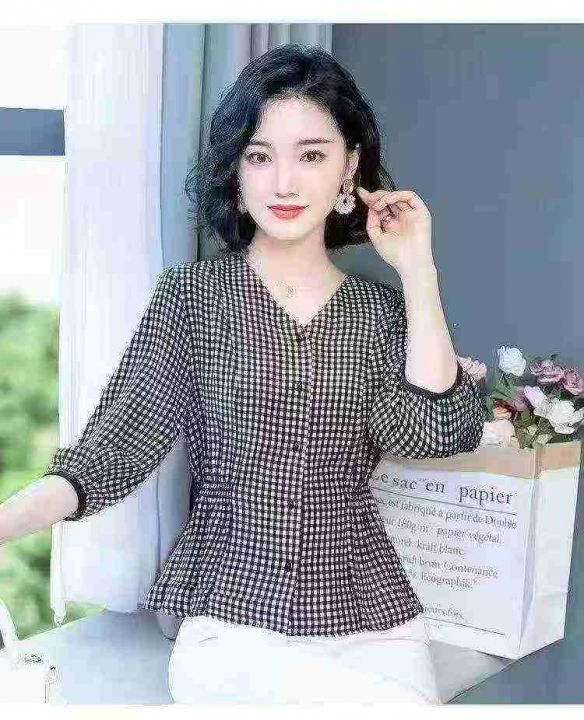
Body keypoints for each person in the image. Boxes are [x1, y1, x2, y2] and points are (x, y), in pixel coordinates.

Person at [0, 43, 486, 705]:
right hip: (232, 618)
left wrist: (417, 268)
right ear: (236, 169)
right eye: (260, 156)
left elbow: (432, 433)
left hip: (372, 620)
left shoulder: (379, 313)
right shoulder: (192, 300)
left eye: (311, 156)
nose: (283, 183)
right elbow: (111, 454)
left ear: (349, 167)